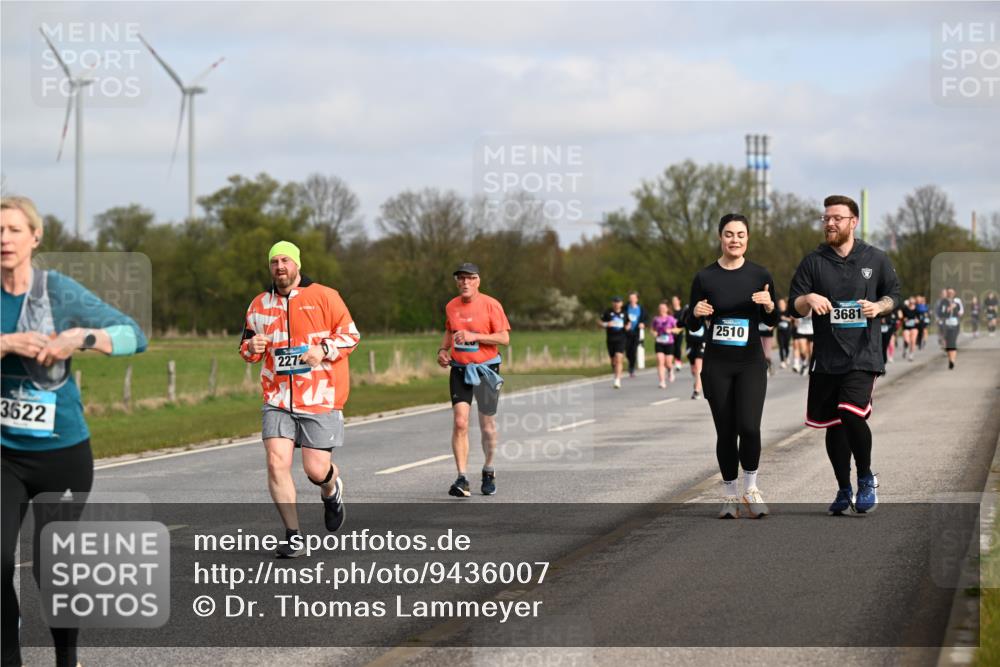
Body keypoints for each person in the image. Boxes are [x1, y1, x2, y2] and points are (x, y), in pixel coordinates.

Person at [1, 196, 148, 667]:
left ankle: (68, 657)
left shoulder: (57, 291)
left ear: (35, 238)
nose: (4, 239)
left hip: (60, 452)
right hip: (3, 453)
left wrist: (79, 337)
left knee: (53, 567)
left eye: (13, 230)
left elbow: (133, 334)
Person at [240, 241, 359, 557]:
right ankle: (293, 536)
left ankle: (331, 490)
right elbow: (247, 345)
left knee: (316, 470)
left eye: (285, 260)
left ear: (297, 264)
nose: (279, 266)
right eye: (274, 261)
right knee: (276, 461)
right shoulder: (258, 305)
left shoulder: (325, 296)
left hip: (320, 396)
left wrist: (323, 350)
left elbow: (351, 335)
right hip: (277, 396)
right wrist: (251, 350)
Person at [788, 195, 900, 515]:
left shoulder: (875, 258)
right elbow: (794, 305)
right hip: (826, 356)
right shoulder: (813, 261)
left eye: (836, 218)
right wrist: (808, 298)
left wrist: (879, 306)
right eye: (826, 218)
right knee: (834, 424)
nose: (830, 223)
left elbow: (894, 295)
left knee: (850, 412)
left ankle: (865, 479)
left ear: (853, 221)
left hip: (864, 353)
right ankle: (843, 487)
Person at [686, 213, 778, 519]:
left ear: (748, 238)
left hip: (751, 363)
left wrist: (769, 305)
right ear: (720, 237)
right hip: (717, 365)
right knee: (726, 432)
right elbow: (690, 324)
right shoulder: (705, 277)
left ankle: (751, 488)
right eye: (729, 234)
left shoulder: (759, 274)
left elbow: (771, 320)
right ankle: (729, 495)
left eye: (740, 234)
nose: (734, 239)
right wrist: (696, 313)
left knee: (749, 427)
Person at [437, 263, 511, 497]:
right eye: (461, 279)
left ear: (478, 280)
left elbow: (504, 338)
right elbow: (450, 331)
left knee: (487, 426)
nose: (465, 283)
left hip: (486, 370)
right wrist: (442, 350)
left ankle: (488, 470)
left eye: (470, 278)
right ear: (457, 282)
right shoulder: (451, 306)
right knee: (460, 422)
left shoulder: (491, 304)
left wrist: (474, 336)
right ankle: (462, 478)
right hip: (460, 369)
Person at [600, 296, 631, 389]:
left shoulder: (624, 313)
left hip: (621, 338)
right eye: (615, 302)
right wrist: (606, 324)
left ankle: (617, 380)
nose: (617, 304)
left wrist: (628, 326)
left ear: (621, 303)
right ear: (612, 303)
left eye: (618, 302)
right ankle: (615, 371)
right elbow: (600, 322)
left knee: (619, 357)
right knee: (613, 361)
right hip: (610, 339)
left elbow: (628, 322)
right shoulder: (608, 312)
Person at [651, 301, 681, 388]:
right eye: (660, 308)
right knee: (660, 361)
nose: (662, 310)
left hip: (669, 343)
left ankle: (670, 370)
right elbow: (652, 329)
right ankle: (662, 381)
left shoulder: (671, 319)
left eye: (663, 308)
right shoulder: (656, 319)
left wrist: (671, 331)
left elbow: (678, 329)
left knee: (668, 363)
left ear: (667, 309)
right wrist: (654, 333)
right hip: (659, 342)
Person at [624, 291, 647, 378]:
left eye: (633, 298)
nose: (632, 300)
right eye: (630, 298)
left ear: (637, 299)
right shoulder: (625, 308)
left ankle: (631, 368)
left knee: (633, 351)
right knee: (627, 351)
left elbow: (645, 318)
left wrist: (643, 324)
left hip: (636, 333)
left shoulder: (641, 308)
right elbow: (621, 317)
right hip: (626, 333)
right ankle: (631, 362)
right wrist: (625, 324)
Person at [939, 287, 964, 369]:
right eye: (949, 292)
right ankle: (950, 359)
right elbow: (941, 313)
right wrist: (948, 309)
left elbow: (961, 312)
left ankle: (952, 361)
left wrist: (955, 308)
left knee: (952, 342)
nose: (950, 294)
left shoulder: (957, 301)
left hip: (955, 325)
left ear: (954, 293)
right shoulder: (943, 302)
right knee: (948, 343)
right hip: (945, 325)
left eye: (952, 292)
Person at [775, 298, 793, 369]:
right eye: (780, 304)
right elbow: (775, 322)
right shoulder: (777, 312)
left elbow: (792, 320)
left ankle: (787, 356)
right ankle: (782, 361)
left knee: (786, 346)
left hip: (787, 331)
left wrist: (785, 318)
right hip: (780, 331)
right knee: (781, 346)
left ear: (785, 304)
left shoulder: (788, 311)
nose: (781, 305)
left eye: (782, 303)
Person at [671, 295, 686, 371]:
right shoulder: (671, 312)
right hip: (671, 332)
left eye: (675, 300)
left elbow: (684, 322)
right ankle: (674, 361)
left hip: (679, 332)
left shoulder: (682, 311)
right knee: (672, 348)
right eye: (673, 300)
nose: (674, 302)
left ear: (679, 301)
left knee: (678, 347)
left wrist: (678, 329)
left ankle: (678, 362)